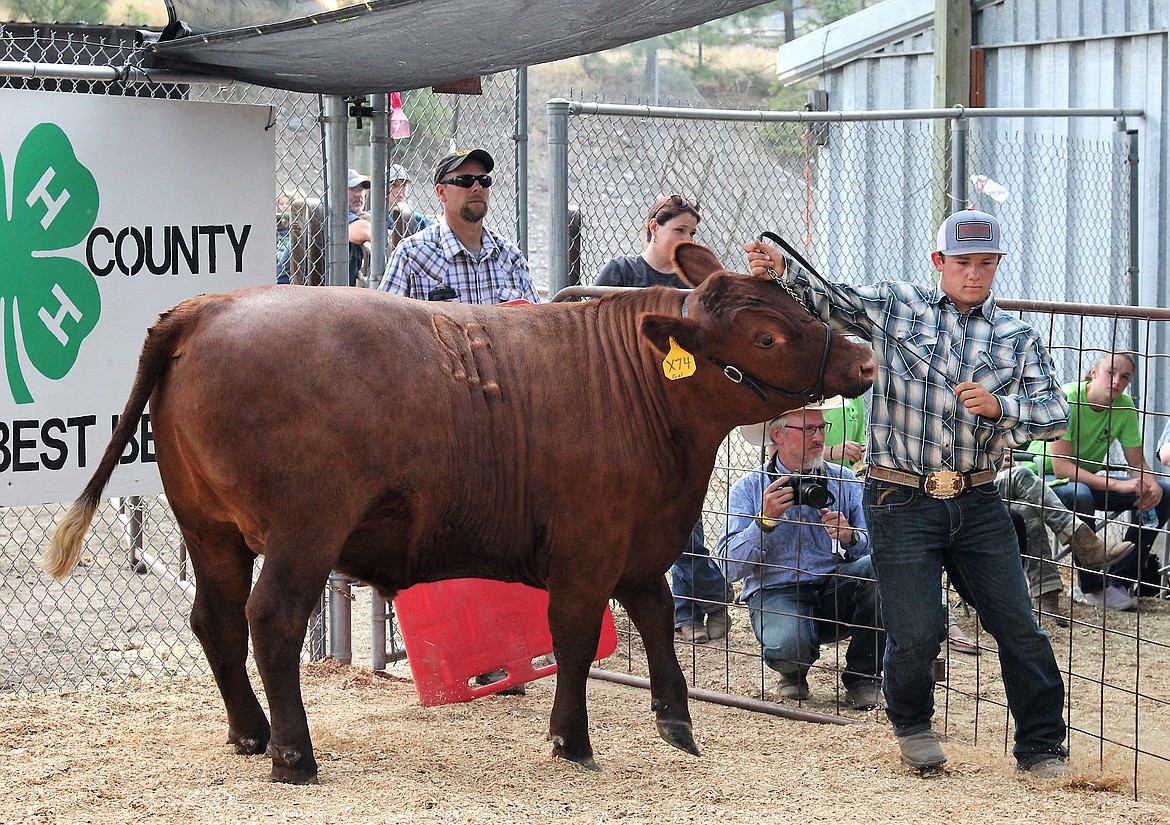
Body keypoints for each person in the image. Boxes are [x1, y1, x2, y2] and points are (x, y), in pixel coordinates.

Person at [745, 208, 1073, 777]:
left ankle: (1041, 745)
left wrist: (1004, 408)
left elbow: (1054, 413)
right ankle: (913, 723)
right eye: (963, 263)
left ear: (998, 266)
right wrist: (780, 272)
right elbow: (827, 299)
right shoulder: (896, 306)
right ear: (939, 262)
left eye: (986, 264)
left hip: (977, 497)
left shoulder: (1016, 337)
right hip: (900, 498)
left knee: (1018, 623)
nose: (975, 274)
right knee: (917, 627)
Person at [595, 193, 733, 643]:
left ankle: (701, 603)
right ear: (654, 228)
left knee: (679, 510)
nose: (686, 240)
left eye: (692, 233)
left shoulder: (694, 283)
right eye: (679, 231)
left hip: (674, 408)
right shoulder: (621, 273)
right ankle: (694, 601)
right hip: (624, 408)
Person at [717, 398, 884, 711]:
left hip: (835, 586)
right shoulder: (750, 488)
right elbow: (728, 567)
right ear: (778, 436)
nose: (820, 437)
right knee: (789, 643)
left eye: (822, 428)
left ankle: (864, 678)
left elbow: (874, 549)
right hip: (776, 591)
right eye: (808, 430)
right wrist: (763, 523)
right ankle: (793, 670)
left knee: (883, 569)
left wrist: (850, 536)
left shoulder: (845, 480)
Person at [1027, 352, 1169, 610]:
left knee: (1166, 491)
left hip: (1087, 480)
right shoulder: (1069, 398)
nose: (1117, 381)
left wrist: (1151, 484)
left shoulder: (1125, 406)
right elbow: (1062, 468)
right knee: (1080, 494)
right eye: (1110, 372)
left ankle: (1119, 578)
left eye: (1125, 377)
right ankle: (1091, 588)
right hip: (1044, 476)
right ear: (1093, 372)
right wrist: (1117, 484)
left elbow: (1137, 463)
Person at [378, 148, 539, 304]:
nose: (477, 188)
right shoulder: (411, 256)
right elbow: (384, 324)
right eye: (465, 181)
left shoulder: (511, 257)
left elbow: (536, 324)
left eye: (484, 181)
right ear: (441, 192)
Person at [997, 455, 1135, 626]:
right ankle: (1086, 544)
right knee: (1021, 475)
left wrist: (997, 462)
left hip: (987, 484)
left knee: (1027, 511)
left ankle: (1047, 595)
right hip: (962, 491)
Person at [385, 163, 431, 246]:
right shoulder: (375, 217)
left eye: (403, 185)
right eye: (394, 185)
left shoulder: (419, 220)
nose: (399, 190)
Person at [346, 169, 373, 286]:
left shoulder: (360, 216)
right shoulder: (332, 209)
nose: (358, 194)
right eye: (352, 189)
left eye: (361, 189)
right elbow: (361, 233)